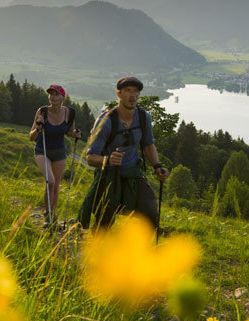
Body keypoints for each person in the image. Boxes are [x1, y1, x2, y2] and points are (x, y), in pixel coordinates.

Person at [79, 76, 169, 230]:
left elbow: (148, 145)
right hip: (108, 176)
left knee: (150, 211)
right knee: (104, 222)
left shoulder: (143, 117)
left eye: (136, 91)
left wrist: (157, 166)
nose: (132, 95)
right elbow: (90, 157)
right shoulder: (106, 121)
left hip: (133, 173)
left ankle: (144, 251)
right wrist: (108, 160)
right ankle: (96, 248)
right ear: (119, 94)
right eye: (128, 91)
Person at [29, 84, 81, 224]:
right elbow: (31, 137)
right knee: (50, 181)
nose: (53, 97)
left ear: (63, 97)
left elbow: (70, 131)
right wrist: (39, 128)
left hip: (59, 151)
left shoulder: (69, 112)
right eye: (51, 94)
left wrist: (75, 134)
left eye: (56, 94)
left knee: (55, 185)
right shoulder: (42, 111)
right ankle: (47, 214)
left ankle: (52, 215)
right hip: (42, 149)